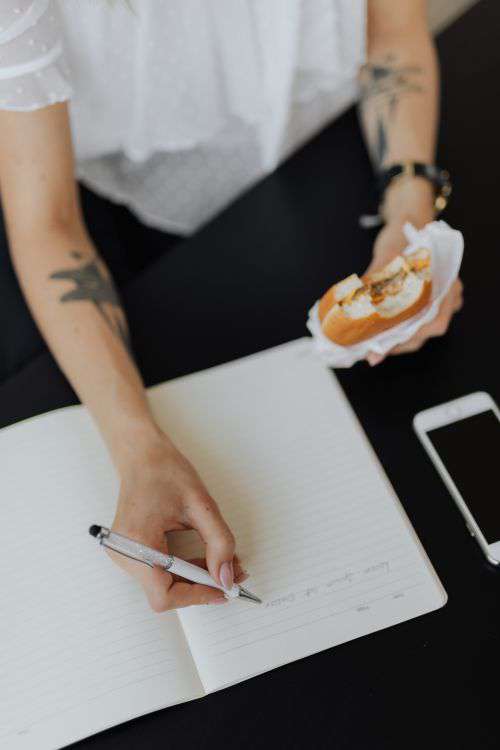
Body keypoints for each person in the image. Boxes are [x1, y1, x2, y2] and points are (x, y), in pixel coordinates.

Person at [0, 0, 462, 611]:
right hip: (126, 200)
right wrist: (139, 448)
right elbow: (48, 223)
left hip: (326, 151)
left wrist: (410, 216)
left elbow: (393, 37)